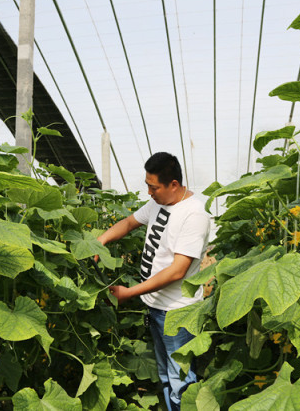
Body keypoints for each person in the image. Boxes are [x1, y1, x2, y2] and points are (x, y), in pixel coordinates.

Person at [97, 152, 210, 411]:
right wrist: (100, 240)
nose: (149, 192)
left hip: (178, 312)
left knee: (182, 382)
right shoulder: (160, 202)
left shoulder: (194, 215)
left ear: (174, 185)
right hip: (157, 307)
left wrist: (130, 292)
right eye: (147, 185)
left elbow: (176, 271)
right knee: (166, 376)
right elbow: (128, 222)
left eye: (153, 186)